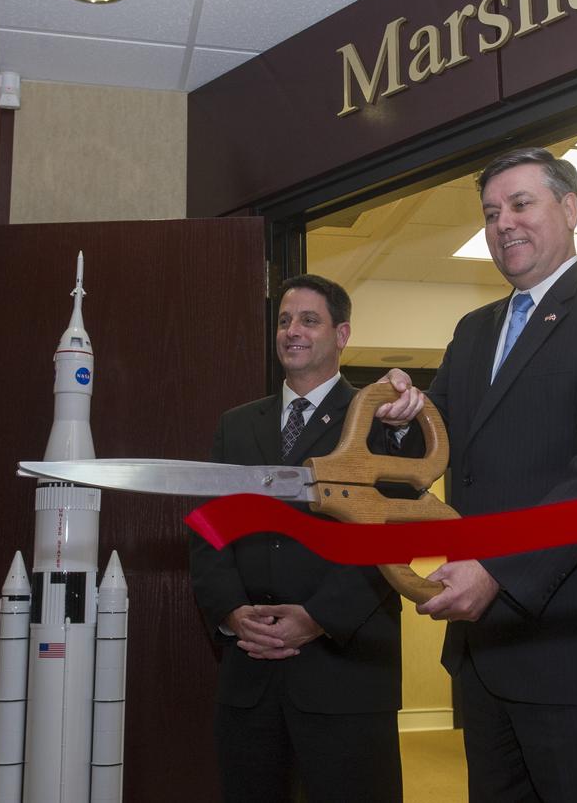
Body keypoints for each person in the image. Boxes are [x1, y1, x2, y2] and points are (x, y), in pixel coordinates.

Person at [378, 148, 577, 801]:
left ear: (569, 208)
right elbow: (440, 440)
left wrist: (500, 568)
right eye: (490, 212)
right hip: (485, 655)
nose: (503, 222)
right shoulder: (475, 330)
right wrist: (399, 412)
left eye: (520, 203)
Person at [189, 274, 403, 803]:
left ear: (342, 333)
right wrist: (231, 612)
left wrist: (318, 618)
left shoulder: (378, 420)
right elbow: (209, 528)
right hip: (251, 670)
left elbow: (391, 536)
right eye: (284, 321)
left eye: (309, 320)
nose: (292, 331)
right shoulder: (236, 426)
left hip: (345, 674)